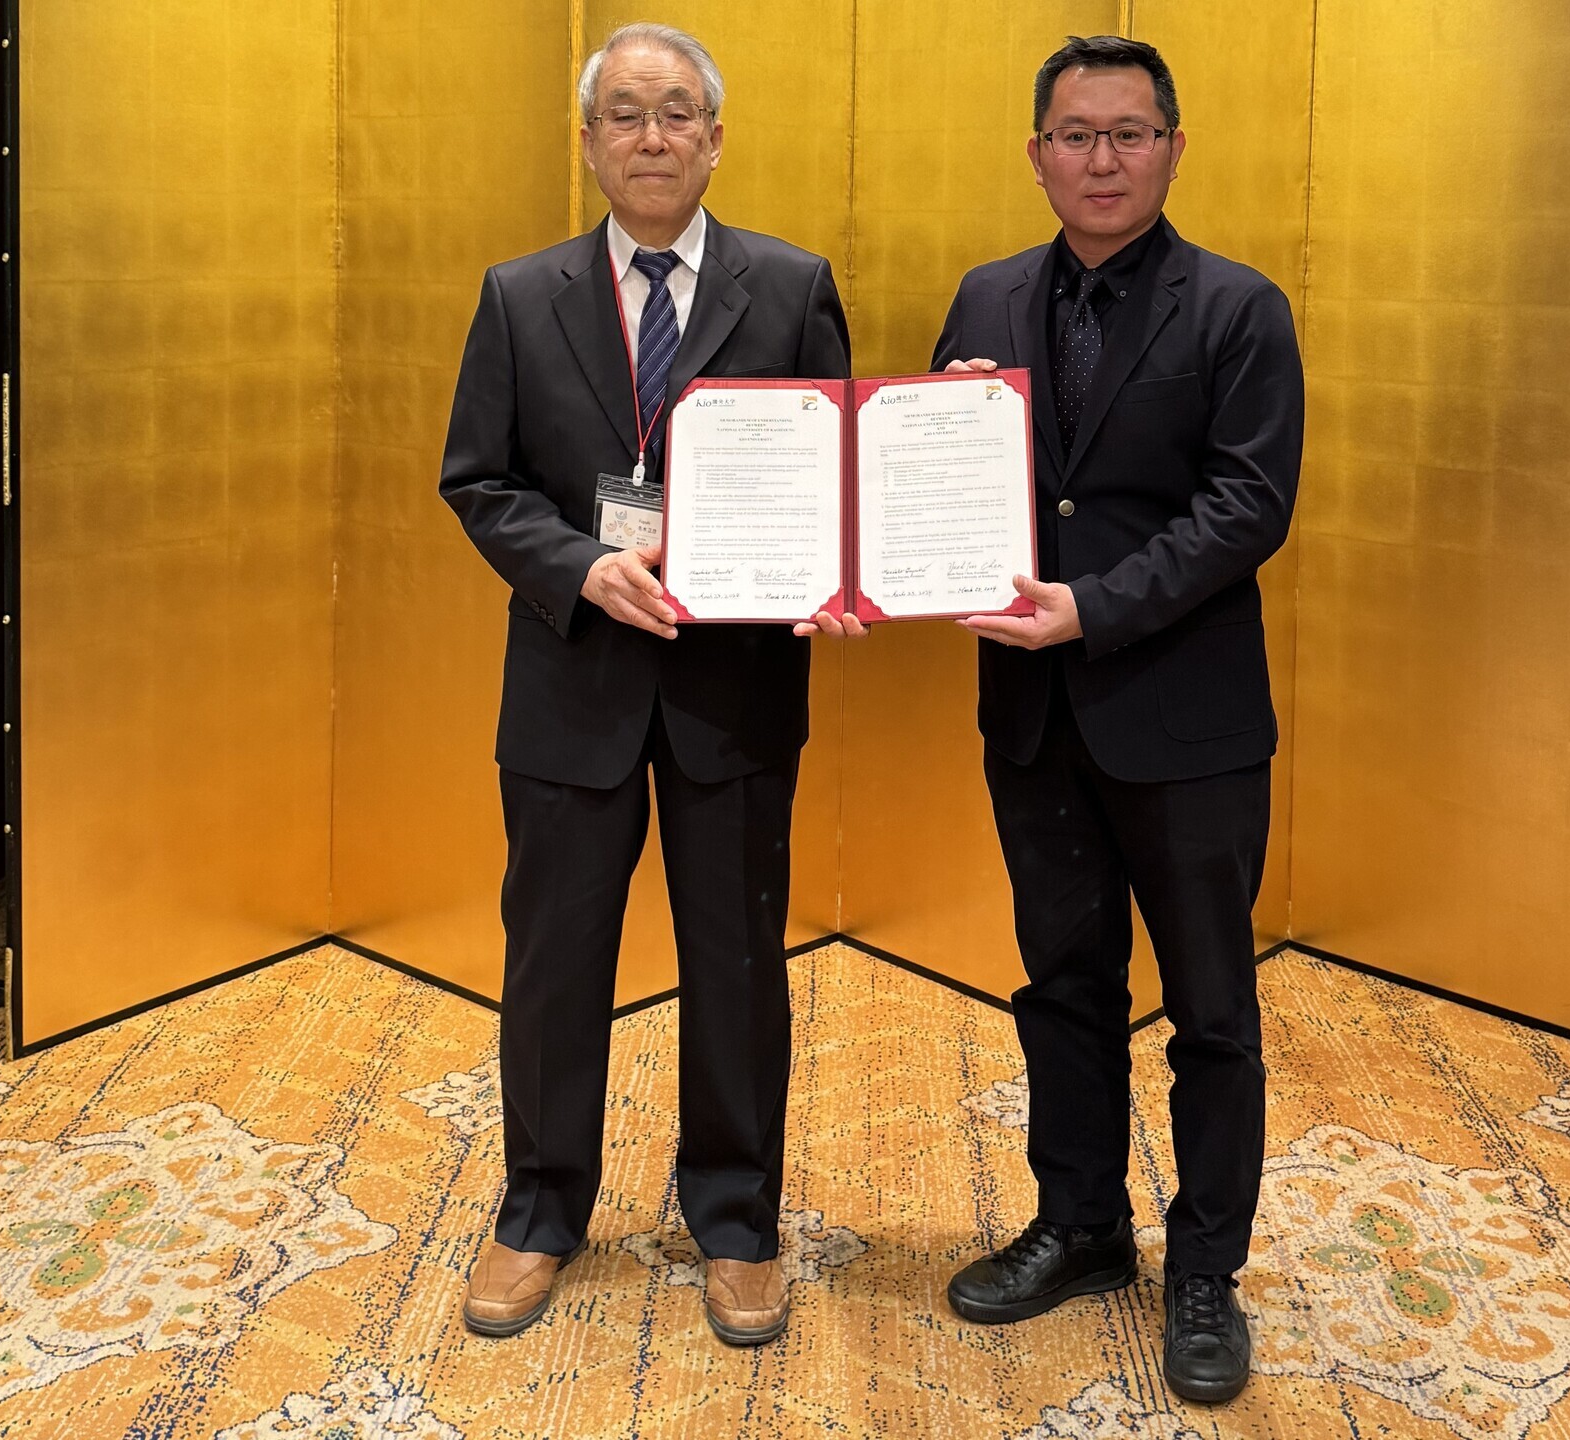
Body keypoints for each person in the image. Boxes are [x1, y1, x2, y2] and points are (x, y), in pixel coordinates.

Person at [439, 21, 858, 1347]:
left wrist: (852, 557)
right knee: (555, 960)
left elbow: (838, 472)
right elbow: (479, 482)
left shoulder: (792, 288)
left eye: (678, 112)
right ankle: (540, 1209)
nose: (654, 136)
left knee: (737, 962)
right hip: (573, 684)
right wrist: (576, 566)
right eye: (625, 114)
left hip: (734, 687)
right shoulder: (520, 294)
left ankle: (736, 1221)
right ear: (589, 141)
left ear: (717, 136)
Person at [933, 34, 1304, 1405]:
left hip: (1186, 721)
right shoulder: (984, 300)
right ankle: (1081, 1225)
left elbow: (1245, 507)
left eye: (1129, 133)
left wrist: (1093, 606)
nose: (1101, 158)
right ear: (1038, 154)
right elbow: (933, 482)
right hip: (1031, 718)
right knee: (1063, 988)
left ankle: (1204, 1266)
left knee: (1211, 1008)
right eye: (1076, 135)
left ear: (1172, 148)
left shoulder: (1237, 310)